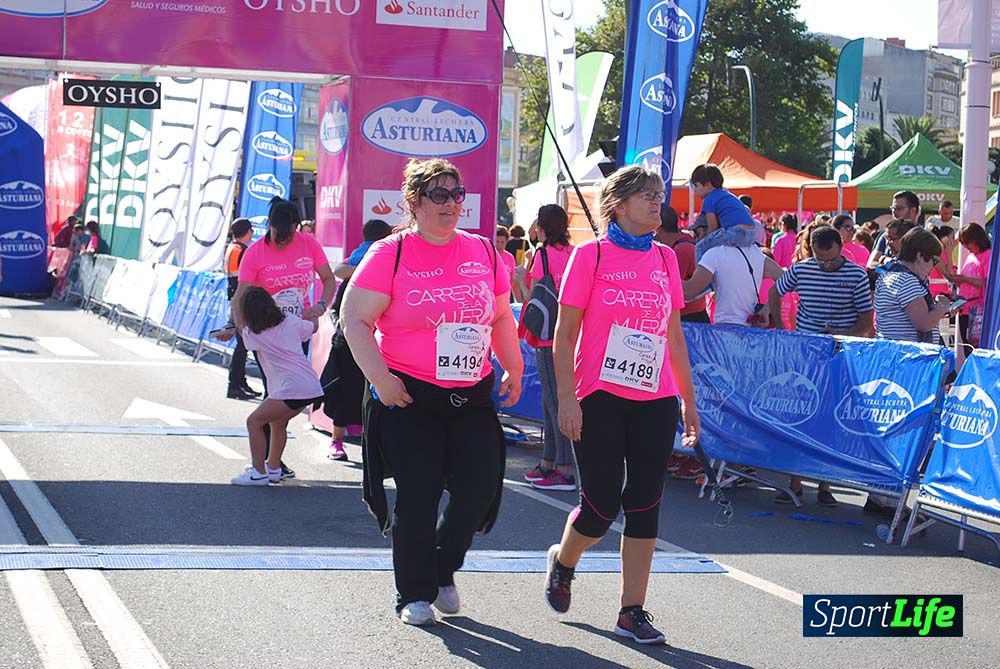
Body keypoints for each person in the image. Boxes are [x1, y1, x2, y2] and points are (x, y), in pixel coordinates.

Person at [341, 158, 523, 626]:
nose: (450, 204)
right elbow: (354, 319)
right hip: (409, 395)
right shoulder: (391, 253)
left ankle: (442, 568)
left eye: (456, 194)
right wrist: (381, 379)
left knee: (480, 488)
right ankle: (413, 594)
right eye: (438, 195)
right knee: (419, 494)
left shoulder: (483, 251)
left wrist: (514, 365)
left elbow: (501, 316)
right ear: (414, 202)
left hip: (471, 393)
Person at [545, 165, 699, 646]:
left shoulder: (665, 259)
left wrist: (688, 403)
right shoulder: (590, 256)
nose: (658, 203)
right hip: (599, 396)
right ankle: (564, 560)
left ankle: (631, 610)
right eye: (647, 196)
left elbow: (673, 335)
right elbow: (563, 335)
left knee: (646, 503)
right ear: (618, 204)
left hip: (654, 398)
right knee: (599, 507)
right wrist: (568, 400)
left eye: (659, 195)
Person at [231, 197, 337, 481]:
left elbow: (328, 279)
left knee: (281, 396)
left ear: (296, 227)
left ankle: (268, 465)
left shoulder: (308, 243)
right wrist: (242, 330)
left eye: (287, 234)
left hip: (294, 327)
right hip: (265, 331)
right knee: (274, 393)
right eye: (276, 234)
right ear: (269, 226)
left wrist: (320, 307)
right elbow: (240, 295)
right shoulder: (255, 252)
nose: (281, 240)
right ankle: (267, 463)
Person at [768, 226, 874, 506]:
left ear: (842, 249)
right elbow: (774, 293)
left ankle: (825, 484)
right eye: (820, 260)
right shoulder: (802, 270)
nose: (826, 265)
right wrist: (783, 329)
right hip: (806, 354)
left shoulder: (856, 274)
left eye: (831, 260)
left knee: (829, 419)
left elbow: (866, 320)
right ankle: (795, 483)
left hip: (839, 354)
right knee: (799, 416)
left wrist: (841, 335)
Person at [230, 287, 323, 486]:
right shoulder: (290, 321)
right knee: (277, 424)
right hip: (309, 385)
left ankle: (258, 472)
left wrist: (235, 308)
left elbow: (240, 328)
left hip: (290, 388)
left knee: (254, 422)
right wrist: (313, 314)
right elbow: (312, 328)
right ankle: (273, 468)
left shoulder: (253, 333)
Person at [323, 218, 393, 461]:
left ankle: (375, 445)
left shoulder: (391, 260)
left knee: (379, 395)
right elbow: (339, 272)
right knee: (348, 389)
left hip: (384, 342)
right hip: (352, 340)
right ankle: (337, 440)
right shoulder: (367, 258)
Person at [520, 204, 577, 491]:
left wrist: (520, 278)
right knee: (553, 401)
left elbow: (531, 296)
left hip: (547, 338)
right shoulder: (573, 253)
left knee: (555, 404)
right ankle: (549, 462)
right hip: (572, 336)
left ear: (542, 227)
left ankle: (565, 469)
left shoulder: (542, 255)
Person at [873, 228, 951, 343]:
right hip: (907, 356)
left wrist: (937, 311)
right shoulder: (907, 281)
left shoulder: (889, 275)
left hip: (894, 352)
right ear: (920, 256)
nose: (932, 267)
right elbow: (923, 323)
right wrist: (942, 306)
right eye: (933, 261)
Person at [690, 163, 760, 261]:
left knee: (700, 246)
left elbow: (713, 226)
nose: (695, 190)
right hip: (752, 233)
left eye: (696, 186)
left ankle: (701, 272)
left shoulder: (709, 199)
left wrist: (706, 240)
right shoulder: (727, 194)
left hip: (736, 232)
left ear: (708, 185)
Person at [224, 218, 261, 401]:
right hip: (242, 301)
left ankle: (239, 382)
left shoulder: (232, 247)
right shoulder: (242, 251)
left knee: (243, 344)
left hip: (235, 298)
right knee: (243, 344)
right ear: (248, 231)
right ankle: (235, 384)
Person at [951, 224, 992, 353]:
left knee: (975, 349)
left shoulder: (987, 256)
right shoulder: (970, 257)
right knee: (966, 348)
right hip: (964, 309)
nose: (966, 248)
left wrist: (964, 279)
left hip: (978, 310)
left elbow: (987, 284)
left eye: (967, 243)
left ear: (976, 240)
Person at [868, 191, 920, 267]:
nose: (894, 212)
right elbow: (870, 264)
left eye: (899, 208)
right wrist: (887, 263)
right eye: (893, 208)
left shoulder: (922, 237)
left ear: (913, 210)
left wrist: (885, 261)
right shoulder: (886, 235)